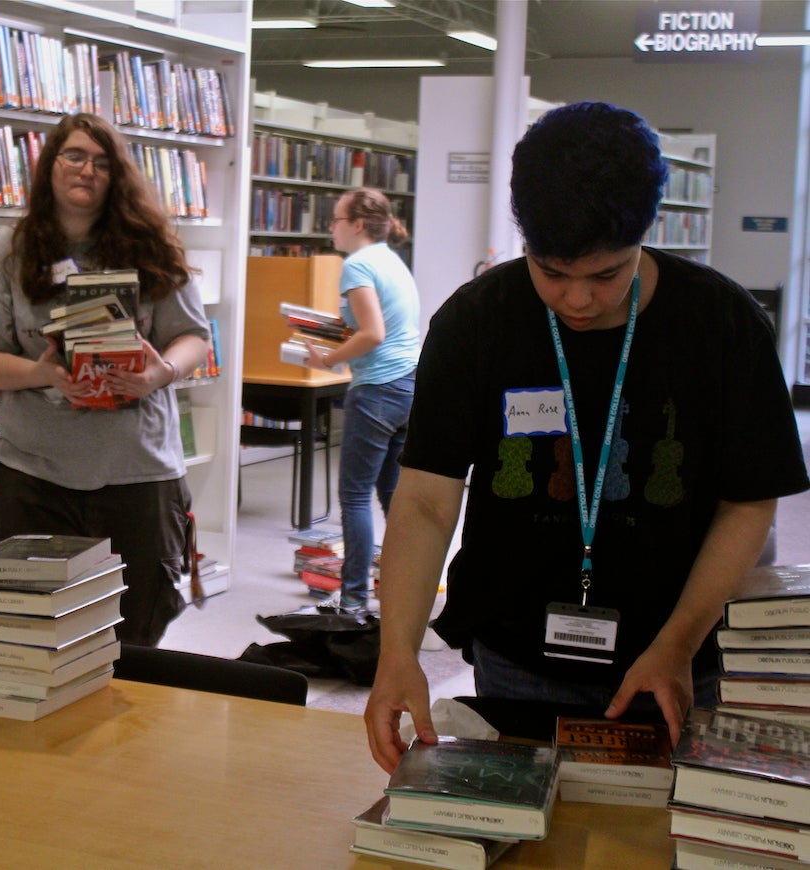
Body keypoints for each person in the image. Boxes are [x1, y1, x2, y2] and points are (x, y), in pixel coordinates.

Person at [365, 101, 810, 773]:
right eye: (552, 271)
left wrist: (679, 643)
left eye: (606, 274)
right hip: (517, 651)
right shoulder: (475, 322)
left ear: (645, 235)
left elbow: (747, 503)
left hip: (679, 651)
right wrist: (397, 652)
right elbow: (426, 497)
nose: (578, 300)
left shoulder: (721, 322)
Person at [0, 113, 212, 647]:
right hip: (34, 474)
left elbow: (194, 338)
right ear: (50, 166)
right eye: (74, 156)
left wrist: (159, 373)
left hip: (137, 472)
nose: (86, 170)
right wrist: (41, 372)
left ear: (117, 176)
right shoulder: (6, 251)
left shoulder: (152, 248)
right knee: (39, 634)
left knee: (136, 630)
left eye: (102, 162)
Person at [303, 188, 421, 614]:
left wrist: (328, 359)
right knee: (392, 495)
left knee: (354, 497)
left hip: (377, 389)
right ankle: (408, 587)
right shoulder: (391, 260)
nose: (330, 227)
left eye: (334, 220)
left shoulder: (357, 264)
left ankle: (354, 597)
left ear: (355, 225)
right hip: (409, 385)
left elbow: (373, 334)